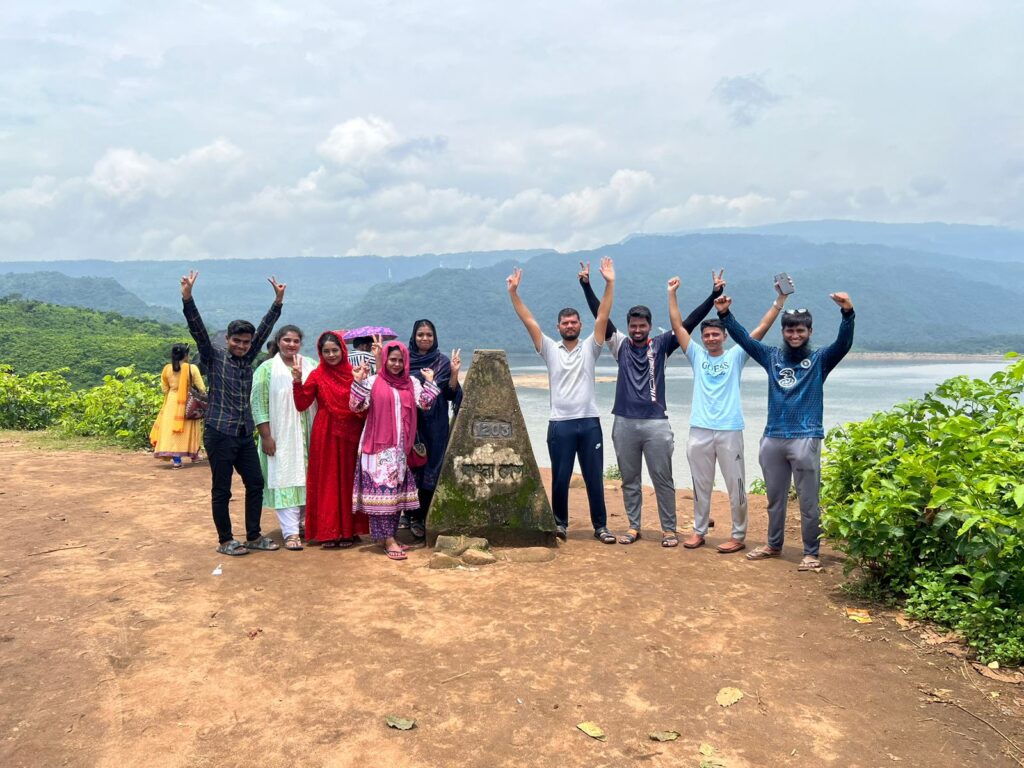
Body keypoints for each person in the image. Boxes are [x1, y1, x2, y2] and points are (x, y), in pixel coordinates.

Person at [714, 290, 855, 571]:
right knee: (774, 498)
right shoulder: (772, 357)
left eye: (800, 330)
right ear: (783, 331)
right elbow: (744, 338)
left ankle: (811, 552)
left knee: (808, 500)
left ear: (809, 331)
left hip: (806, 437)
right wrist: (724, 315)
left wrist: (847, 314)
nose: (794, 335)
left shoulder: (820, 360)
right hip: (773, 437)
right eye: (789, 330)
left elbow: (843, 344)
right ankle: (773, 544)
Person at [667, 274, 792, 553]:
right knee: (700, 484)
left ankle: (738, 534)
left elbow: (761, 328)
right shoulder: (696, 356)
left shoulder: (736, 355)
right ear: (702, 338)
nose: (711, 338)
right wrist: (672, 294)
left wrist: (780, 300)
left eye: (716, 334)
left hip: (729, 429)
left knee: (735, 484)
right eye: (707, 335)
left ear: (724, 336)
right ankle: (698, 531)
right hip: (699, 428)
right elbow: (677, 325)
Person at [602, 272, 725, 548]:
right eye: (633, 325)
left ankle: (669, 529)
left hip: (656, 423)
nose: (637, 330)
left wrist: (713, 296)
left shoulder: (661, 345)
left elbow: (689, 323)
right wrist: (588, 285)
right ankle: (634, 526)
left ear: (649, 326)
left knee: (663, 479)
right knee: (630, 479)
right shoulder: (619, 345)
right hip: (623, 422)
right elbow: (601, 318)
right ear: (627, 327)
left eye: (641, 325)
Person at [507, 259, 616, 544]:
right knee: (560, 478)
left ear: (580, 325)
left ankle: (601, 526)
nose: (570, 325)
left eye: (574, 322)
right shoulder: (549, 349)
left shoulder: (591, 348)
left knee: (594, 478)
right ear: (558, 327)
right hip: (560, 424)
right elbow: (528, 321)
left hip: (589, 422)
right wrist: (514, 294)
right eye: (565, 323)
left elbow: (603, 316)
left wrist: (609, 283)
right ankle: (560, 524)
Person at [181, 269, 285, 557]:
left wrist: (277, 303)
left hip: (243, 434)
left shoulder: (248, 357)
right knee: (222, 489)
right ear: (227, 339)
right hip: (219, 433)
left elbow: (264, 330)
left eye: (246, 342)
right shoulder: (214, 357)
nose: (241, 346)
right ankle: (225, 540)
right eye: (236, 341)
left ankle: (253, 535)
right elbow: (198, 329)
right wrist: (188, 298)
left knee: (255, 483)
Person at [350, 341, 440, 561]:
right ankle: (388, 540)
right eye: (392, 359)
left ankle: (386, 537)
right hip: (377, 448)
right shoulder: (373, 381)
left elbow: (425, 404)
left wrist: (430, 382)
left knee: (395, 495)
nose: (397, 364)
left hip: (400, 449)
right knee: (383, 494)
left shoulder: (411, 383)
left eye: (400, 360)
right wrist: (358, 382)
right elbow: (355, 406)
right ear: (385, 360)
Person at [291, 331, 369, 548]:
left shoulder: (353, 373)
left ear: (343, 350)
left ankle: (350, 531)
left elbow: (364, 405)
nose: (331, 355)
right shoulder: (317, 375)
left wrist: (361, 382)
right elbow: (302, 404)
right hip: (326, 433)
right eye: (326, 352)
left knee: (349, 481)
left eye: (335, 350)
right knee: (328, 481)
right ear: (320, 354)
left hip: (352, 433)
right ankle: (329, 532)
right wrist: (297, 382)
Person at [251, 325, 317, 551]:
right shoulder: (267, 369)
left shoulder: (310, 365)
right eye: (287, 340)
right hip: (280, 436)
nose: (291, 344)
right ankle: (290, 532)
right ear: (278, 342)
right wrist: (266, 436)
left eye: (296, 341)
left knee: (307, 479)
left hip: (308, 434)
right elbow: (258, 404)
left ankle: (303, 524)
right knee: (285, 477)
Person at [405, 319, 463, 540]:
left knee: (432, 467)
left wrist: (455, 373)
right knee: (410, 467)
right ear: (414, 336)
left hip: (436, 423)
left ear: (434, 337)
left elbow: (450, 394)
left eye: (429, 335)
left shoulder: (442, 361)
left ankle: (421, 516)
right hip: (412, 421)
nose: (425, 338)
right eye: (421, 334)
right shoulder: (405, 360)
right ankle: (408, 514)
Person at [149, 343, 206, 468]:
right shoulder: (192, 368)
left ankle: (176, 460)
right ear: (185, 355)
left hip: (171, 402)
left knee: (171, 431)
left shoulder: (167, 369)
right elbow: (201, 387)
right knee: (191, 428)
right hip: (188, 402)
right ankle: (194, 455)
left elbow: (164, 388)